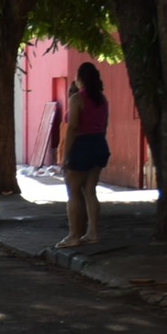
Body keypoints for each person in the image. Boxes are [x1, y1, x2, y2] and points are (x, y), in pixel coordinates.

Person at [56, 61, 113, 248]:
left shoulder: (76, 99)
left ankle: (73, 235)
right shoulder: (102, 99)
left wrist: (65, 155)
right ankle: (93, 232)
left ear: (80, 79)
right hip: (99, 144)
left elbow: (72, 127)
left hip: (82, 145)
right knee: (90, 191)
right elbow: (104, 125)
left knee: (73, 192)